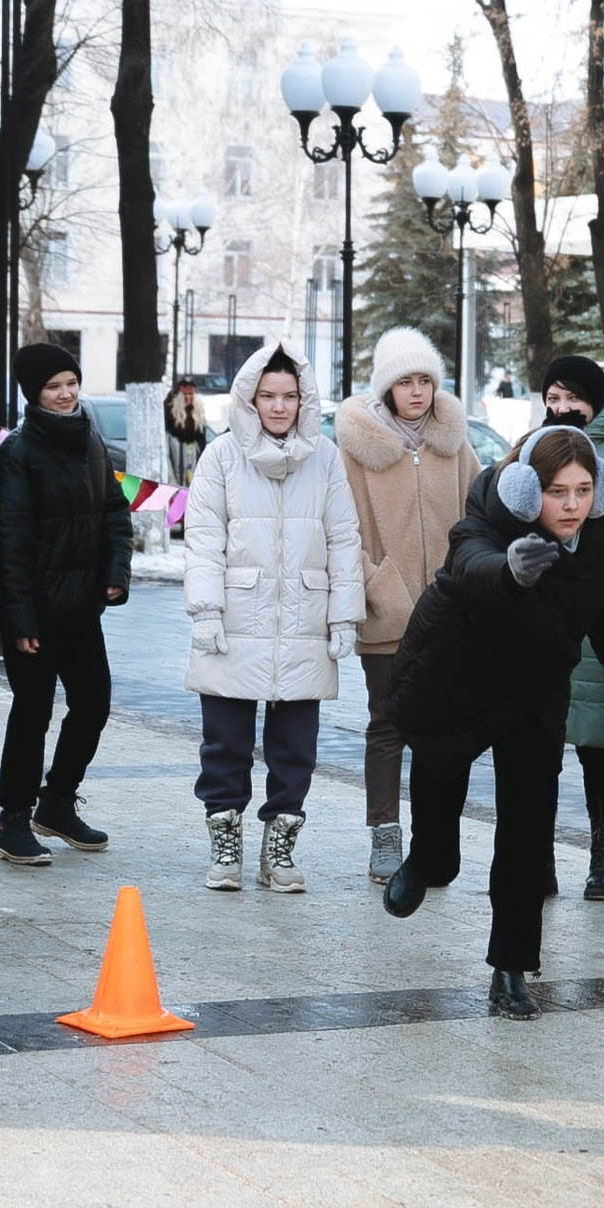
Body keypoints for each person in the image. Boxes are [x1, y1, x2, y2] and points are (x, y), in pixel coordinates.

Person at [380, 425, 604, 1020]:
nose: (571, 506)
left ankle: (510, 970)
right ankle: (427, 862)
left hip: (534, 692)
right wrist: (511, 567)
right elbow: (469, 562)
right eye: (556, 491)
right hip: (456, 684)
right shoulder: (486, 520)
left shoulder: (592, 546)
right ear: (523, 490)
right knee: (440, 826)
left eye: (584, 490)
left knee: (526, 830)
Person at [183, 341, 361, 893]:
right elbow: (204, 538)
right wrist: (206, 610)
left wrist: (343, 617)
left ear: (303, 399)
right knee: (225, 744)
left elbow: (343, 537)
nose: (279, 407)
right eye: (268, 396)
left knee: (295, 749)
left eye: (289, 396)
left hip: (303, 618)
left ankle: (279, 849)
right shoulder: (220, 457)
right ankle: (225, 842)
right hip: (236, 616)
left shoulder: (325, 456)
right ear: (250, 398)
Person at [336, 326, 478, 884]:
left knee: (441, 731)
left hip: (450, 615)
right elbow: (343, 528)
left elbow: (477, 520)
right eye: (405, 382)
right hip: (388, 612)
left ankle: (433, 842)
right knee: (388, 724)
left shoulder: (455, 444)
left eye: (425, 380)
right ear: (386, 388)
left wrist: (465, 584)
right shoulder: (357, 450)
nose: (417, 392)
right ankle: (384, 837)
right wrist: (376, 583)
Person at [0, 341, 131, 865]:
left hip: (80, 610)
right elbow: (11, 541)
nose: (66, 393)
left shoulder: (90, 441)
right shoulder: (19, 452)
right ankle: (13, 820)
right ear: (35, 394)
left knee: (93, 704)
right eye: (54, 387)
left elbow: (116, 513)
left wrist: (115, 573)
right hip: (33, 615)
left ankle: (56, 803)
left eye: (70, 382)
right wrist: (19, 617)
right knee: (32, 713)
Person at [539, 354, 604, 900]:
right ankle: (540, 855)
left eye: (571, 397)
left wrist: (601, 602)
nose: (561, 408)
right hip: (543, 618)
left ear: (595, 400)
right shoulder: (537, 450)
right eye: (552, 398)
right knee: (540, 747)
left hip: (595, 621)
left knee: (598, 748)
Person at [164, 376, 208, 487]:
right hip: (176, 450)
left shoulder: (198, 412)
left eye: (191, 394)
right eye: (185, 394)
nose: (188, 398)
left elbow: (202, 438)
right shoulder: (171, 411)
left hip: (193, 453)